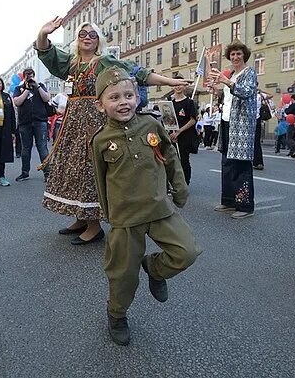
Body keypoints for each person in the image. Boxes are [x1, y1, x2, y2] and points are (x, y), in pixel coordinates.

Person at [34, 17, 190, 245]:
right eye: (83, 34)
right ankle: (81, 217)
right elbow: (45, 51)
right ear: (77, 40)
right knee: (74, 168)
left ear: (99, 41)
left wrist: (169, 82)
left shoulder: (105, 61)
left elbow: (139, 73)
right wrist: (43, 32)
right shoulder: (71, 62)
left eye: (92, 35)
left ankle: (94, 225)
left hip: (95, 121)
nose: (87, 38)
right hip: (74, 122)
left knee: (90, 169)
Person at [91, 67, 200, 346]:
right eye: (114, 97)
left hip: (159, 208)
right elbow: (101, 181)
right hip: (125, 218)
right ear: (101, 105)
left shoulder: (151, 125)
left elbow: (170, 156)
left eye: (129, 95)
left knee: (186, 251)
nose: (123, 101)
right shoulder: (101, 140)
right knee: (122, 275)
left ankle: (154, 268)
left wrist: (180, 188)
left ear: (138, 98)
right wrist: (108, 215)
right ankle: (117, 315)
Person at [209, 41, 258, 219]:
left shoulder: (249, 72)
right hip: (227, 121)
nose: (235, 57)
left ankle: (245, 206)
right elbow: (228, 97)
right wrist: (217, 91)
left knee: (241, 164)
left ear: (244, 55)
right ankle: (229, 200)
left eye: (238, 54)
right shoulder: (232, 74)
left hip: (242, 125)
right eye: (232, 54)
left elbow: (246, 92)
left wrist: (226, 81)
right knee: (227, 163)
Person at [13, 67, 50, 182]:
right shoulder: (19, 88)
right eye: (27, 75)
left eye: (31, 75)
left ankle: (47, 173)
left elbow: (46, 98)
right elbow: (17, 102)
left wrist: (37, 86)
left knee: (43, 148)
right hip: (25, 123)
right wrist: (27, 90)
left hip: (40, 121)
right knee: (26, 148)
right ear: (23, 77)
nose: (29, 77)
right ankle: (25, 172)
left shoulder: (41, 86)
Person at [169, 76, 198, 185]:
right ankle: (173, 183)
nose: (177, 86)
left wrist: (179, 131)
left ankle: (185, 183)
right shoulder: (170, 103)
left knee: (184, 160)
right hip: (172, 136)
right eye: (175, 84)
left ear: (184, 85)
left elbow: (192, 120)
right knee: (172, 161)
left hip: (185, 136)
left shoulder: (189, 103)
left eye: (180, 84)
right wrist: (172, 133)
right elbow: (168, 119)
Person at [253, 90, 273, 170]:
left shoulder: (247, 93)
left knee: (250, 141)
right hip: (257, 119)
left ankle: (252, 161)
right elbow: (271, 95)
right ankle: (259, 162)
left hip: (249, 119)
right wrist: (262, 91)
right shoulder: (260, 95)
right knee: (256, 141)